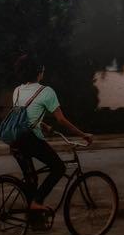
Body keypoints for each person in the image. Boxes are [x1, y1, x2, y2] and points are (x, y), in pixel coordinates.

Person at [8, 54, 92, 217]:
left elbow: (23, 117)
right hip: (30, 140)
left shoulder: (17, 90)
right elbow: (61, 120)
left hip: (14, 140)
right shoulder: (47, 92)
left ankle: (34, 219)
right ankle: (37, 203)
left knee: (31, 180)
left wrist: (43, 125)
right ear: (38, 72)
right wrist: (83, 135)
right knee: (59, 168)